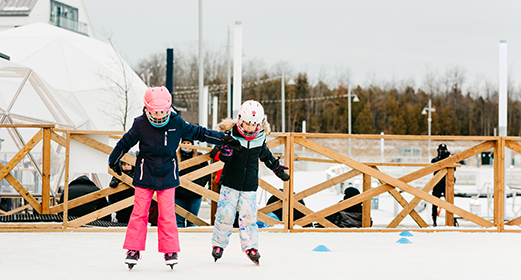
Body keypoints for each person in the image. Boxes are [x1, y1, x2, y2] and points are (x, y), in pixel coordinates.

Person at [107, 86, 239, 269]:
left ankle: (170, 250)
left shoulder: (176, 122)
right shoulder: (140, 124)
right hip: (145, 175)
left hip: (167, 175)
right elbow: (124, 142)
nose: (160, 117)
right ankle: (133, 249)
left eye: (163, 113)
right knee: (139, 214)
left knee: (168, 215)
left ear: (168, 108)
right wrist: (113, 160)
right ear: (147, 109)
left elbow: (199, 132)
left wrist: (223, 138)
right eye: (156, 113)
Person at [210, 100, 290, 265]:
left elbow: (267, 157)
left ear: (260, 124)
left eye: (254, 125)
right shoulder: (230, 135)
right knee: (225, 214)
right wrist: (224, 152)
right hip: (230, 183)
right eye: (247, 123)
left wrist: (277, 169)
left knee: (248, 217)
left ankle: (251, 247)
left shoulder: (259, 139)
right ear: (240, 120)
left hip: (249, 186)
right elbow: (215, 153)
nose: (249, 128)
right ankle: (218, 244)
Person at [175, 138, 211, 227]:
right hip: (178, 194)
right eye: (184, 143)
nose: (186, 145)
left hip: (195, 194)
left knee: (193, 221)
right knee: (178, 222)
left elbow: (206, 173)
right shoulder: (175, 157)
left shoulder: (200, 157)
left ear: (193, 144)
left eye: (188, 143)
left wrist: (198, 185)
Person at [431, 143, 453, 227]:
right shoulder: (435, 160)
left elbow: (454, 169)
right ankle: (434, 221)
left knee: (449, 202)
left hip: (447, 183)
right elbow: (433, 165)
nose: (442, 152)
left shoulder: (449, 159)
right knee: (435, 203)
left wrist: (448, 159)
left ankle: (450, 221)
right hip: (437, 184)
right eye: (441, 150)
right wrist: (441, 159)